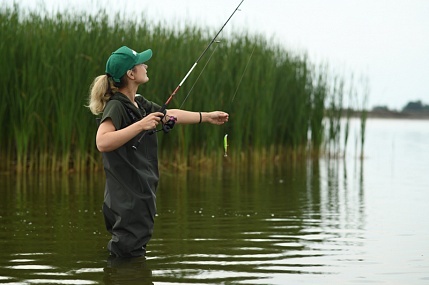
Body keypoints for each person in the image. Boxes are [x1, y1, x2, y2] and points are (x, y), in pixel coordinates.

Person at [87, 46, 229, 257]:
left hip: (138, 193)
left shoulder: (139, 103)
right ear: (131, 74)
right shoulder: (116, 106)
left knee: (133, 253)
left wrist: (206, 116)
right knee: (127, 255)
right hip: (127, 198)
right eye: (141, 63)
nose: (146, 65)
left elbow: (168, 114)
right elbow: (102, 141)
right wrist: (141, 125)